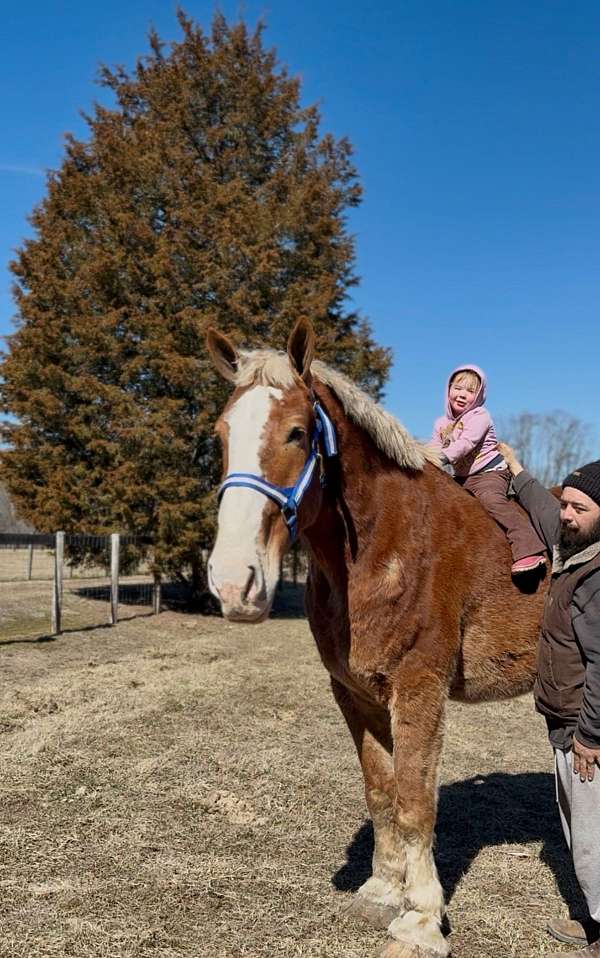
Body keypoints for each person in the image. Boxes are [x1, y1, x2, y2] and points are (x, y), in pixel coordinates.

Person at [499, 444, 600, 957]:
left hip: (589, 734)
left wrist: (590, 736)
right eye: (568, 502)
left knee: (591, 835)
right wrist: (517, 472)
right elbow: (546, 510)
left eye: (580, 508)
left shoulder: (598, 578)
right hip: (565, 721)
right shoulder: (574, 549)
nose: (567, 513)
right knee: (575, 824)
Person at [429, 366, 546, 574]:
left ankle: (528, 546)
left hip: (490, 473)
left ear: (479, 395)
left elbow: (466, 443)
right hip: (462, 477)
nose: (462, 394)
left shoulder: (480, 416)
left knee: (492, 501)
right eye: (458, 388)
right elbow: (434, 448)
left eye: (470, 391)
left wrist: (441, 457)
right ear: (448, 390)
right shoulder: (440, 424)